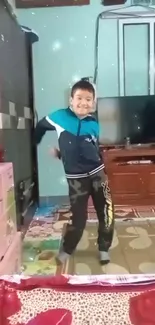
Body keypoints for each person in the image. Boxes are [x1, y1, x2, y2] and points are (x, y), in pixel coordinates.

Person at [34, 80, 114, 265]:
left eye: (88, 99)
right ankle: (68, 249)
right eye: (79, 98)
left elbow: (88, 150)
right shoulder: (59, 117)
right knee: (79, 218)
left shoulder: (93, 122)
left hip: (98, 174)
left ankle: (104, 248)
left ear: (93, 102)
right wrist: (36, 142)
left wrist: (63, 153)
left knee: (107, 212)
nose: (83, 103)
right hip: (76, 179)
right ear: (71, 99)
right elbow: (40, 127)